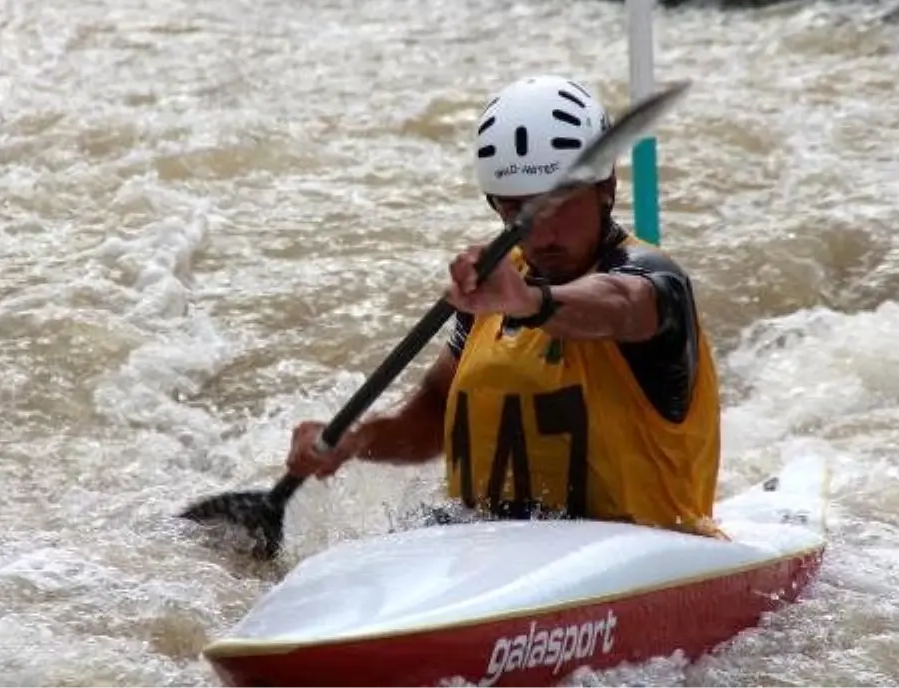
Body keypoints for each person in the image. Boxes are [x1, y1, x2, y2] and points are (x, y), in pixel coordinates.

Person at [284, 74, 725, 538]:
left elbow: (621, 304)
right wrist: (358, 437)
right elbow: (435, 415)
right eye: (517, 210)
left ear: (605, 186)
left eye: (559, 204)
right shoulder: (494, 285)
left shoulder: (654, 280)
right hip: (489, 554)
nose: (542, 234)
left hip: (639, 552)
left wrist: (530, 301)